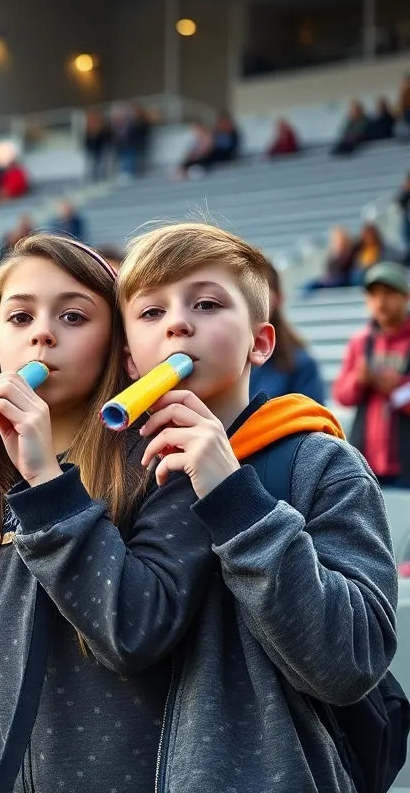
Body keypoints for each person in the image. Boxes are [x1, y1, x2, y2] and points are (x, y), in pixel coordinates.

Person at [117, 223, 396, 791]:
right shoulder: (106, 476)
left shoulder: (322, 465)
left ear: (260, 342)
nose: (177, 322)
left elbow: (352, 662)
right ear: (128, 359)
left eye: (207, 303)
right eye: (151, 312)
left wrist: (236, 500)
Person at [0, 235, 208, 793]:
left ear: (118, 346)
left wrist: (47, 483)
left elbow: (136, 631)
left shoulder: (162, 458)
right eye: (19, 317)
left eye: (73, 316)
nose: (43, 333)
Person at [333, 261, 410, 486]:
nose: (381, 302)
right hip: (366, 462)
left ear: (405, 297)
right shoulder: (361, 341)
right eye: (374, 295)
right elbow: (341, 395)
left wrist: (398, 387)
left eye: (388, 293)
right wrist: (359, 379)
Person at [249, 258, 325, 402]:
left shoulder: (300, 364)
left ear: (279, 299)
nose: (250, 304)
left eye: (258, 294)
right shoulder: (218, 360)